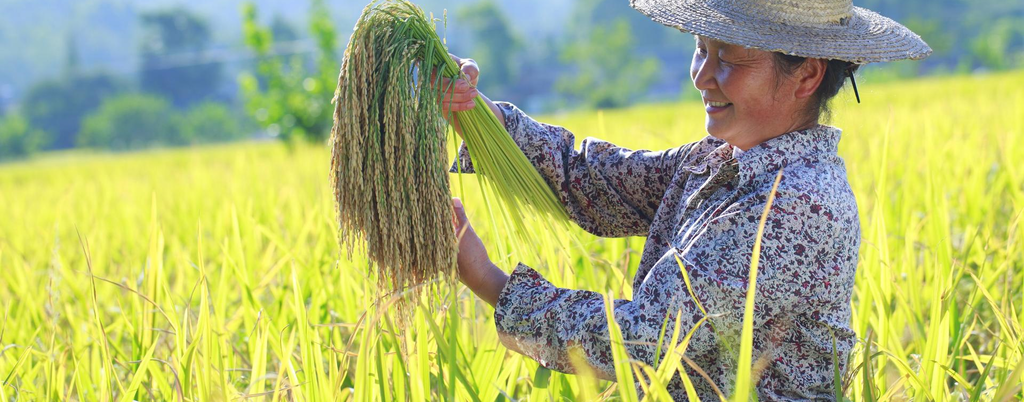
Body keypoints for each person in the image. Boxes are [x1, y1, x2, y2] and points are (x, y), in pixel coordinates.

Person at [441, 0, 930, 399]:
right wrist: (480, 118)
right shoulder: (721, 160)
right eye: (701, 49)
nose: (702, 75)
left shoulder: (797, 204)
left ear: (806, 76)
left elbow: (649, 342)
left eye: (730, 59)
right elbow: (594, 180)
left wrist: (487, 280)